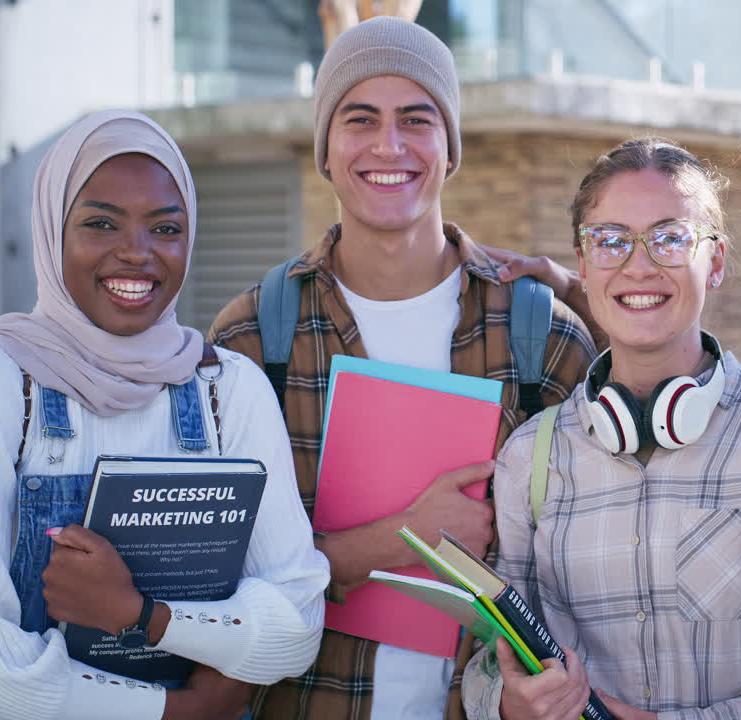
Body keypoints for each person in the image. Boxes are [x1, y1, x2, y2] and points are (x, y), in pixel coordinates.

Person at [207, 17, 597, 720]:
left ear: (450, 149)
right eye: (360, 119)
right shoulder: (251, 338)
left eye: (417, 119)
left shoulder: (544, 337)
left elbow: (595, 570)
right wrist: (410, 534)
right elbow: (217, 584)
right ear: (326, 148)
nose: (389, 145)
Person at [0, 111, 330, 720]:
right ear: (53, 230)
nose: (136, 253)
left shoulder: (227, 389)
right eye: (101, 223)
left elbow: (295, 627)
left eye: (165, 227)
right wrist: (177, 711)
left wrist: (142, 616)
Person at [461, 138, 741, 720]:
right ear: (582, 262)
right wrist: (507, 702)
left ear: (716, 260)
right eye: (611, 241)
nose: (639, 265)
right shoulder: (530, 456)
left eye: (670, 238)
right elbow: (488, 657)